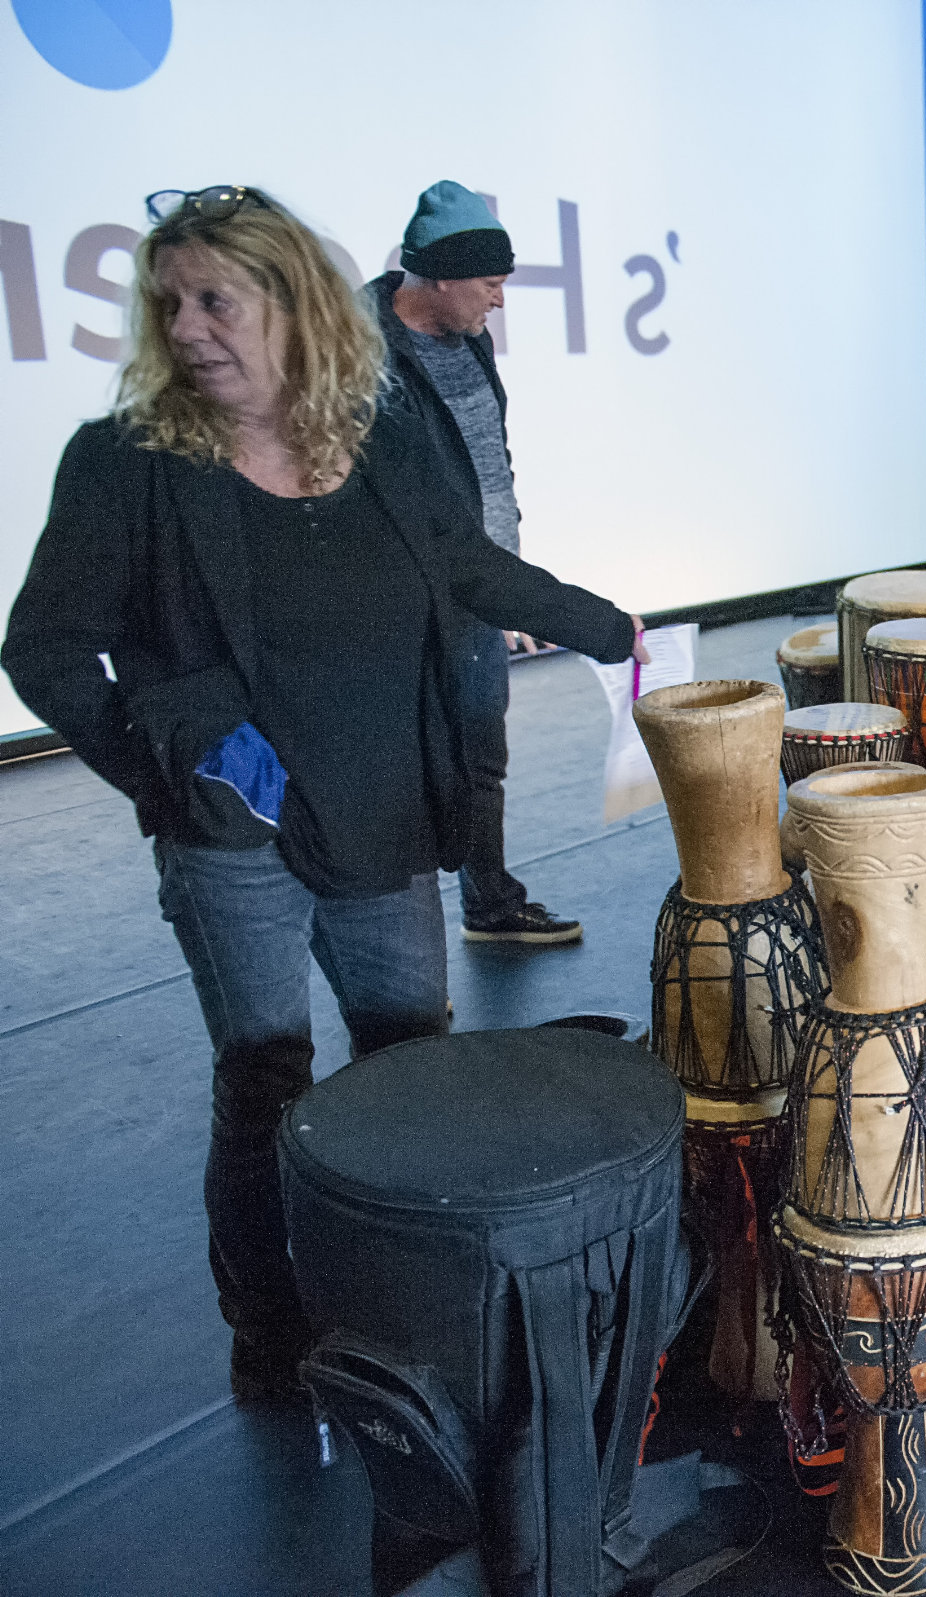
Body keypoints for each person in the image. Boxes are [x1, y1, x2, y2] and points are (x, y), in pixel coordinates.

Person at [1, 186, 648, 1400]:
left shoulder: (381, 434)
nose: (187, 326)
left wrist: (604, 624)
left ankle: (397, 1294)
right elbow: (43, 650)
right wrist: (166, 777)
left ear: (295, 306)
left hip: (383, 805)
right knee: (266, 1075)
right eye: (167, 303)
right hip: (236, 828)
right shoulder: (126, 463)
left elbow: (465, 562)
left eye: (215, 300)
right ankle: (271, 1327)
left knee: (409, 1056)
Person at [366, 182, 577, 943]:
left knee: (482, 756)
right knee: (404, 775)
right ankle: (403, 954)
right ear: (442, 277)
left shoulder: (472, 341)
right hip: (401, 605)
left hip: (479, 590)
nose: (498, 300)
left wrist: (507, 578)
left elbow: (488, 463)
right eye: (490, 283)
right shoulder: (361, 355)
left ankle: (490, 905)